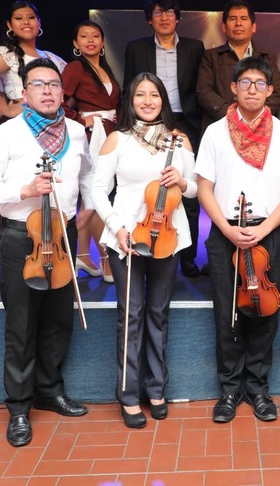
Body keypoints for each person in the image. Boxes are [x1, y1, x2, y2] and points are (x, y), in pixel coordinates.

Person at [0, 58, 94, 448]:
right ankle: (20, 407)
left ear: (62, 92)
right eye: (38, 84)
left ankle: (50, 389)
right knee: (22, 325)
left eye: (53, 85)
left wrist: (85, 210)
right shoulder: (6, 135)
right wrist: (23, 191)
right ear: (23, 93)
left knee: (59, 318)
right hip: (21, 237)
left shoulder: (75, 131)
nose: (47, 90)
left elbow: (87, 175)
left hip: (61, 236)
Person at [194, 57, 280, 424]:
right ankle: (229, 389)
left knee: (264, 311)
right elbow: (204, 188)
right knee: (226, 314)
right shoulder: (214, 132)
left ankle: (258, 388)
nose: (253, 90)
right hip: (225, 233)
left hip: (267, 233)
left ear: (271, 91)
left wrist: (264, 229)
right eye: (246, 83)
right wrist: (227, 230)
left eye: (260, 84)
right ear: (233, 88)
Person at [91, 73, 196, 429]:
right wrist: (116, 229)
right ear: (131, 100)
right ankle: (128, 393)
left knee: (158, 313)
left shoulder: (178, 140)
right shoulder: (116, 139)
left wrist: (181, 181)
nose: (148, 101)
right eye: (140, 95)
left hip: (167, 236)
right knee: (131, 314)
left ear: (164, 100)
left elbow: (196, 189)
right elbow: (97, 191)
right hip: (127, 237)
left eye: (154, 95)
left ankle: (156, 388)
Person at [123, 0, 205, 278]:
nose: (165, 17)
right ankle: (149, 242)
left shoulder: (195, 47)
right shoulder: (136, 48)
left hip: (186, 123)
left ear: (178, 17)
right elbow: (129, 89)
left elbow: (198, 88)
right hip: (150, 120)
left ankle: (187, 256)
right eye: (158, 12)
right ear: (149, 19)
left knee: (186, 190)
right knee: (152, 187)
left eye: (170, 12)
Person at [62, 20, 121, 283]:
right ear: (75, 44)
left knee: (93, 196)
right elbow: (57, 101)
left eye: (95, 36)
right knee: (96, 194)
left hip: (109, 131)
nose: (90, 40)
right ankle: (106, 257)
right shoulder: (75, 68)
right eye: (83, 36)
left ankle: (83, 255)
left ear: (103, 42)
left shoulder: (104, 68)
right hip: (91, 134)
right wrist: (79, 118)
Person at [196, 0, 280, 135]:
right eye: (232, 19)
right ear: (224, 27)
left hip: (259, 129)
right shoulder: (211, 56)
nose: (238, 23)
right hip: (220, 125)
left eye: (244, 18)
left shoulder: (267, 57)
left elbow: (276, 93)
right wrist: (234, 116)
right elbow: (204, 91)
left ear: (253, 26)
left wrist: (254, 116)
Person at [0, 0, 67, 126]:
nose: (26, 22)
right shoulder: (7, 54)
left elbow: (69, 91)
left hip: (53, 121)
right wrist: (6, 110)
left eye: (31, 17)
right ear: (10, 25)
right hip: (22, 122)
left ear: (39, 22)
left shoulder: (52, 58)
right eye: (19, 18)